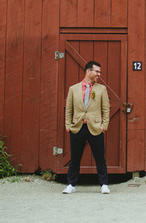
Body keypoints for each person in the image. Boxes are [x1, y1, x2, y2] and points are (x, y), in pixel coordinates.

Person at [63, 61, 111, 194]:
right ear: (88, 71)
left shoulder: (101, 89)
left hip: (95, 127)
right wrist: (68, 126)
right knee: (75, 158)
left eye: (99, 72)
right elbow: (69, 110)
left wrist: (104, 126)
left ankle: (104, 184)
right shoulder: (73, 89)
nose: (99, 75)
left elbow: (106, 109)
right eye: (97, 71)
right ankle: (71, 184)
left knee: (100, 157)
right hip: (78, 128)